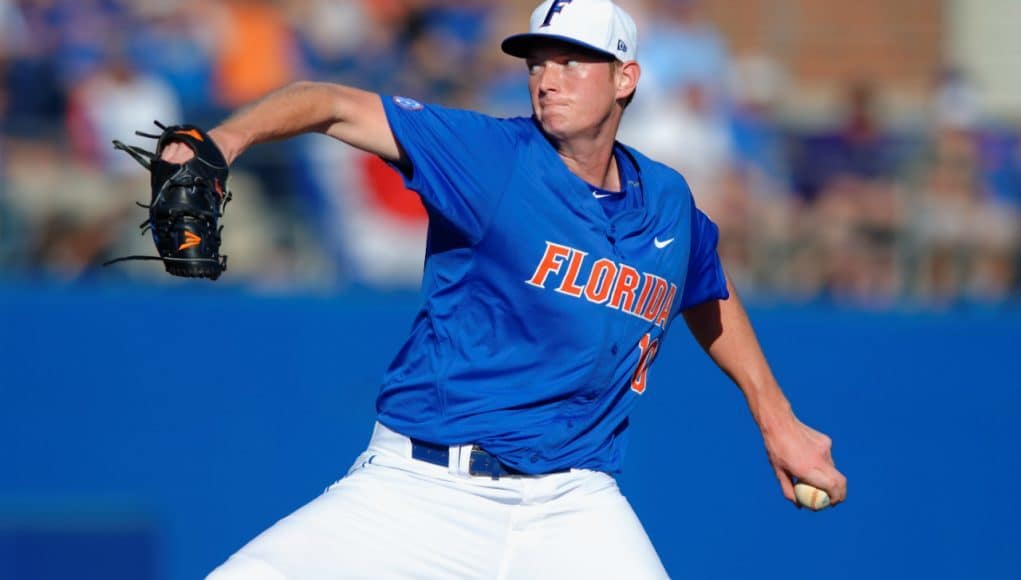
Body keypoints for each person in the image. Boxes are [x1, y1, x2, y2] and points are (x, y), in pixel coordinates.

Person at [161, 1, 847, 577]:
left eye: (571, 61)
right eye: (537, 63)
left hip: (572, 503)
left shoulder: (666, 200)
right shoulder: (490, 157)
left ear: (625, 78)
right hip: (420, 489)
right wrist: (225, 138)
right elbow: (332, 103)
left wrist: (775, 417)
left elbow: (706, 289)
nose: (548, 79)